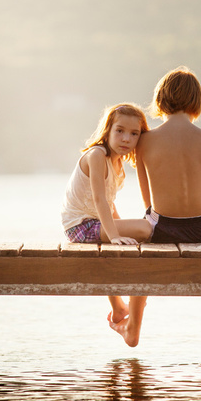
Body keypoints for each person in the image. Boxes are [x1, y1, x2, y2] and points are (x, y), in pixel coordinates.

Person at [108, 67, 201, 355]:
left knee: (144, 238)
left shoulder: (146, 141)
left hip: (164, 227)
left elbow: (147, 201)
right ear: (197, 102)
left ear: (160, 99)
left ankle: (133, 327)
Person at [61, 103, 152, 324]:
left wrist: (121, 229)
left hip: (95, 222)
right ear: (108, 130)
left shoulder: (118, 163)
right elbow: (100, 199)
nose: (126, 139)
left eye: (134, 134)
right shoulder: (97, 155)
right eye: (119, 130)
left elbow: (109, 204)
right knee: (146, 227)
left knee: (138, 232)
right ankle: (121, 305)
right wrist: (114, 236)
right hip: (80, 226)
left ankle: (118, 307)